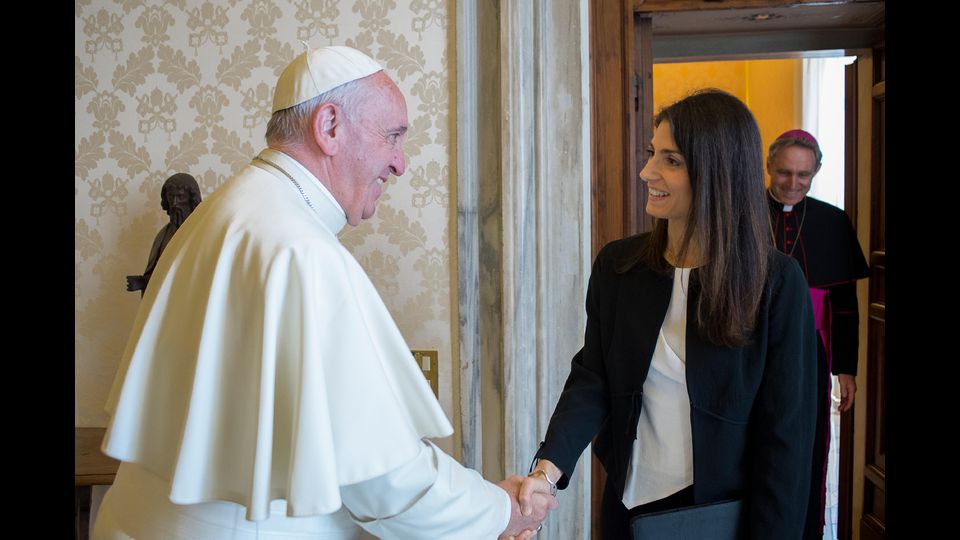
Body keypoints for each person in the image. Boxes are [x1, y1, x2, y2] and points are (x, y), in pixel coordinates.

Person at [94, 45, 555, 540]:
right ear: (330, 126)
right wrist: (500, 510)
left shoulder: (221, 212)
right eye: (393, 137)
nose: (399, 164)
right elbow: (384, 480)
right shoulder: (300, 249)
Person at [518, 90, 818, 539]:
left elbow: (786, 439)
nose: (647, 172)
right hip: (626, 509)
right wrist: (544, 473)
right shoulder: (619, 267)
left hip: (720, 517)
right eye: (652, 153)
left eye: (671, 160)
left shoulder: (776, 282)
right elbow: (593, 378)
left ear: (718, 172)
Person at [765, 129, 870, 540]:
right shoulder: (741, 213)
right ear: (769, 167)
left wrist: (846, 367)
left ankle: (804, 527)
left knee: (807, 442)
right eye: (785, 172)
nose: (793, 183)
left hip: (812, 354)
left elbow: (845, 303)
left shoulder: (832, 221)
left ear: (816, 172)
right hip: (751, 348)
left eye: (803, 175)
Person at [125, 172, 202, 296]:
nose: (175, 203)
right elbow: (159, 271)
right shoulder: (163, 235)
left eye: (180, 196)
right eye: (171, 197)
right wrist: (143, 281)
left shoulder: (202, 233)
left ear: (191, 198)